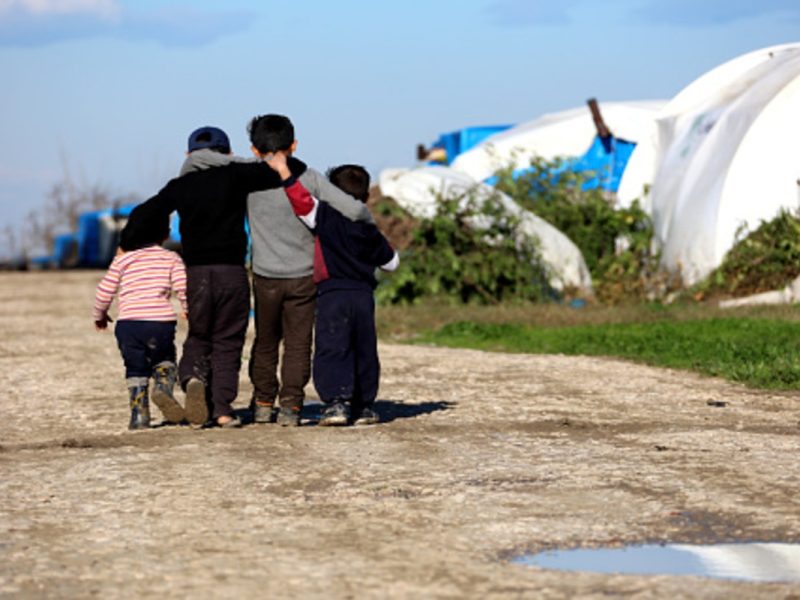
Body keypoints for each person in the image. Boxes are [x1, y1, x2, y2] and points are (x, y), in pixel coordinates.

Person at [120, 126, 307, 428]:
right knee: (228, 341)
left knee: (199, 335)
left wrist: (125, 243)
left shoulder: (181, 185)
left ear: (188, 155)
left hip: (196, 274)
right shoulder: (236, 175)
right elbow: (291, 167)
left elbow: (145, 212)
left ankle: (193, 377)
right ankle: (221, 409)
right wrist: (247, 162)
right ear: (227, 153)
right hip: (231, 273)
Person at [245, 115, 375, 426]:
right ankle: (291, 406)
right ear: (294, 145)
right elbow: (355, 209)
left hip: (265, 276)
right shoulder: (311, 178)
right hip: (304, 276)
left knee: (265, 340)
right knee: (299, 343)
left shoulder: (246, 180)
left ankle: (263, 402)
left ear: (253, 149)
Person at [260, 152, 399, 426]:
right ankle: (364, 406)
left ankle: (337, 403)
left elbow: (300, 201)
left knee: (333, 346)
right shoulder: (368, 228)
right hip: (362, 296)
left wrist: (284, 172)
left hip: (332, 293)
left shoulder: (324, 215)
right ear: (366, 197)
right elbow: (392, 263)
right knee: (363, 347)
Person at [93, 211, 188, 430]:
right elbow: (183, 287)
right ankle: (163, 391)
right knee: (164, 358)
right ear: (165, 235)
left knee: (135, 368)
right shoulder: (171, 258)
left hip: (128, 326)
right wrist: (188, 308)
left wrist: (100, 316)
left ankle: (139, 416)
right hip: (160, 324)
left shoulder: (123, 260)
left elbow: (104, 290)